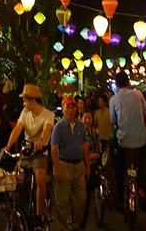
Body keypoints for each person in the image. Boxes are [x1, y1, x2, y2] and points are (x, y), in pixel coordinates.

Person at [4, 83, 55, 227]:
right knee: (14, 180)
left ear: (32, 101)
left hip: (40, 153)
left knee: (40, 177)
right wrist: (7, 146)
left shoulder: (48, 115)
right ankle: (14, 212)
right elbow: (17, 130)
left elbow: (47, 130)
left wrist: (41, 141)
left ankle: (38, 216)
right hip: (26, 151)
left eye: (25, 100)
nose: (23, 103)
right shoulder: (25, 113)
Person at [109, 71, 146, 205]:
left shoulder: (113, 100)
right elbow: (145, 115)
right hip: (141, 139)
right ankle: (142, 188)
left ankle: (119, 199)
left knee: (119, 167)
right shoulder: (138, 95)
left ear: (116, 84)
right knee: (143, 163)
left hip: (123, 141)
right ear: (128, 82)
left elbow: (113, 122)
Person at [50, 96, 89, 231]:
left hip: (79, 166)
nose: (71, 110)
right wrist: (58, 170)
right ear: (63, 108)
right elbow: (54, 151)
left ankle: (74, 225)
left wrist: (87, 166)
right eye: (68, 107)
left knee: (82, 199)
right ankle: (63, 228)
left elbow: (85, 147)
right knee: (63, 202)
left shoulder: (81, 126)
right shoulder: (58, 127)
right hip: (64, 165)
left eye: (73, 107)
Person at [78, 110, 103, 231]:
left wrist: (87, 156)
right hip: (78, 168)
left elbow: (99, 152)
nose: (87, 120)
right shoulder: (77, 133)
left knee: (88, 198)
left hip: (91, 168)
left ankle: (83, 224)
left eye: (89, 118)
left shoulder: (95, 133)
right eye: (85, 118)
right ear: (81, 119)